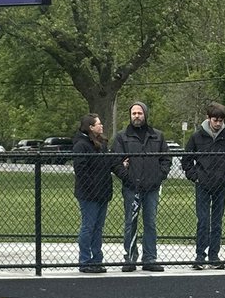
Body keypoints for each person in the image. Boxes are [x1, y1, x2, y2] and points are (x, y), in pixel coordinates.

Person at [111, 102, 170, 272]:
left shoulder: (157, 136)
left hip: (151, 188)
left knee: (150, 222)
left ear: (145, 114)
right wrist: (128, 179)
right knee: (131, 222)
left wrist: (158, 177)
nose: (136, 116)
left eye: (139, 113)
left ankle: (149, 258)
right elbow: (116, 162)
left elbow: (166, 160)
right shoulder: (122, 137)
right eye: (134, 113)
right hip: (131, 188)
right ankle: (130, 258)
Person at [182, 102, 225, 270]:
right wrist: (195, 177)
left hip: (221, 185)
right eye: (215, 120)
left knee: (216, 222)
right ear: (208, 119)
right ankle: (200, 256)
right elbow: (187, 160)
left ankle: (214, 256)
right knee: (203, 221)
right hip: (203, 184)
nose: (218, 123)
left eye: (221, 120)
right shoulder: (197, 137)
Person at [72, 113, 117, 274]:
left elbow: (109, 163)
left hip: (103, 193)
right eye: (98, 124)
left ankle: (97, 259)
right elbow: (81, 171)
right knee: (88, 227)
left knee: (98, 228)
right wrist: (93, 187)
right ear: (90, 127)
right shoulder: (81, 145)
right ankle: (85, 261)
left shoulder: (102, 143)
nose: (101, 126)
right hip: (89, 195)